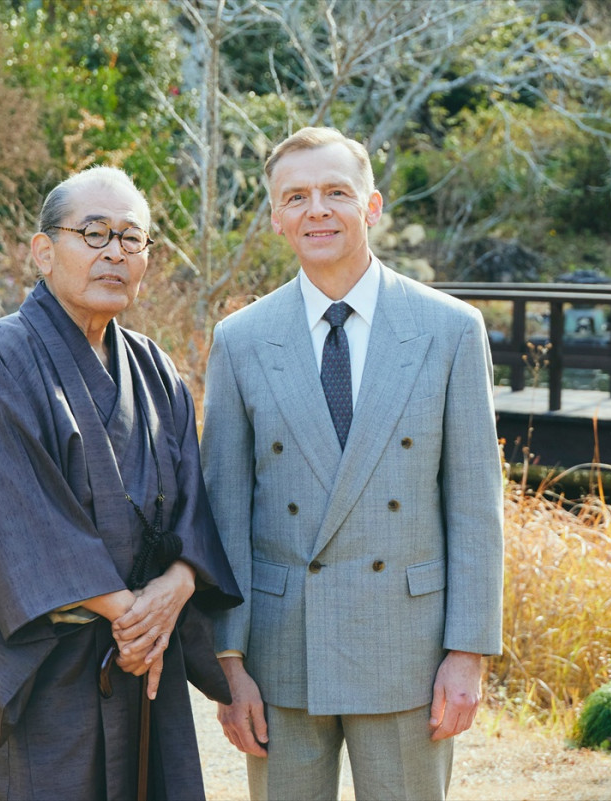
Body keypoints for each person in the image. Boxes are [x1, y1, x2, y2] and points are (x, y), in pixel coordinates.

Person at [201, 127, 504, 801]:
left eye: (336, 192)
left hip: (408, 647)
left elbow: (475, 505)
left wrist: (468, 652)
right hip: (281, 654)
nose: (318, 210)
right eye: (297, 196)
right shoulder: (241, 339)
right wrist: (229, 663)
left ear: (371, 206)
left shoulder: (450, 329)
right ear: (276, 218)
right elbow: (223, 516)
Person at [0, 166, 242, 801]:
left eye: (132, 239)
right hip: (58, 665)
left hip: (147, 656)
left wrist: (176, 587)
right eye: (94, 233)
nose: (115, 253)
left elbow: (193, 511)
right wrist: (135, 619)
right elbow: (13, 518)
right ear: (43, 251)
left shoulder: (156, 369)